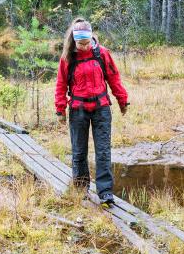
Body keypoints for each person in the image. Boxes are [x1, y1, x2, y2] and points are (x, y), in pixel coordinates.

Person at [54, 18, 129, 205]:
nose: (85, 47)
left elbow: (114, 78)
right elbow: (61, 85)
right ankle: (81, 188)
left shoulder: (102, 54)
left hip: (101, 108)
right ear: (74, 41)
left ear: (92, 38)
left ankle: (105, 192)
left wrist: (123, 100)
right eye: (81, 44)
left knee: (103, 151)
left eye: (87, 43)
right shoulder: (67, 58)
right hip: (78, 109)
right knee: (79, 151)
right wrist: (60, 109)